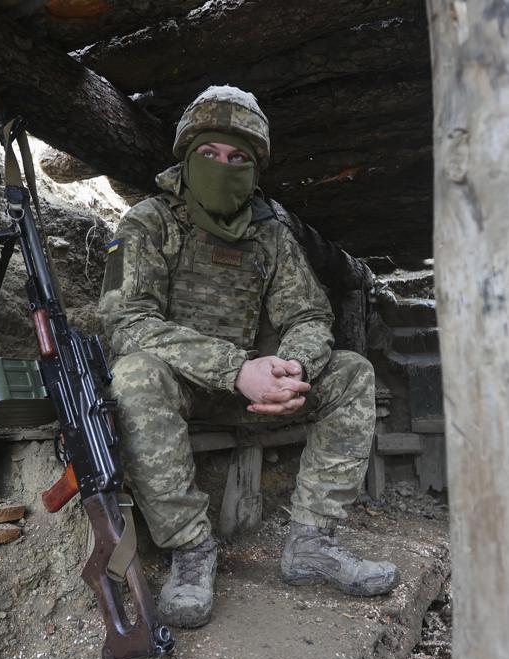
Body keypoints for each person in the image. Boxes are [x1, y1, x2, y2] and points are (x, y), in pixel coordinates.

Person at [98, 85, 398, 629]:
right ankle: (191, 550)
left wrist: (294, 368)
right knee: (134, 375)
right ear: (186, 158)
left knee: (353, 371)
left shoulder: (271, 235)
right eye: (209, 154)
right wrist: (235, 370)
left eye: (238, 158)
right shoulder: (149, 223)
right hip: (185, 388)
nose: (223, 165)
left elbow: (308, 315)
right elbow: (127, 322)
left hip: (261, 392)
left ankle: (312, 541)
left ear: (255, 170)